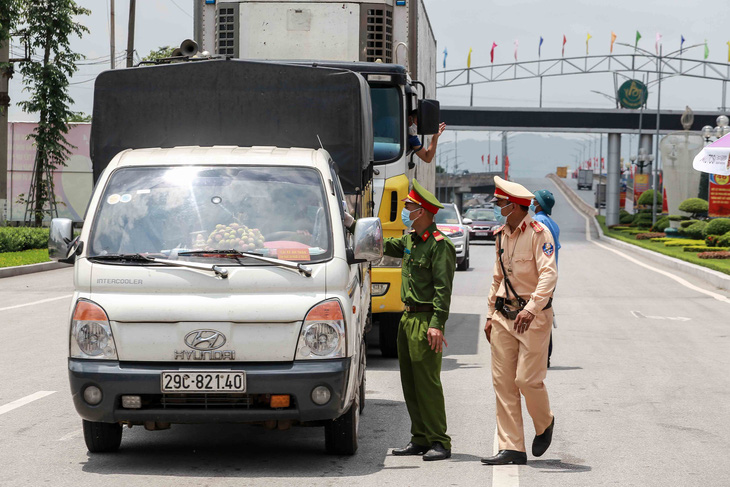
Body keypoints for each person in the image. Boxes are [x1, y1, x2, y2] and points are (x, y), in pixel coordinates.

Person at [481, 176, 558, 466]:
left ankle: (545, 422)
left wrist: (533, 308)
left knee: (527, 380)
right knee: (503, 384)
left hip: (532, 319)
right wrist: (490, 314)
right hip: (503, 316)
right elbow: (497, 278)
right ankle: (512, 447)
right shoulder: (501, 235)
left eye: (500, 203)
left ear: (513, 206)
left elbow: (549, 274)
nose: (498, 207)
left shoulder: (539, 234)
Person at [385, 179, 456, 461]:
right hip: (407, 318)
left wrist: (437, 323)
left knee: (427, 383)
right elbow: (383, 244)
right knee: (410, 382)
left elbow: (443, 289)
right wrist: (352, 224)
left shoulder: (440, 246)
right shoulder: (410, 241)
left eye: (409, 207)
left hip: (426, 320)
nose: (405, 211)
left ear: (422, 212)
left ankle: (440, 440)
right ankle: (420, 438)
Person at [530, 189, 560, 368]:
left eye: (534, 200)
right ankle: (545, 356)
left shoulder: (537, 222)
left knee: (534, 315)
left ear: (539, 204)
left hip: (537, 277)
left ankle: (537, 356)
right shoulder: (553, 223)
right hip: (550, 276)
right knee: (545, 315)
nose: (532, 202)